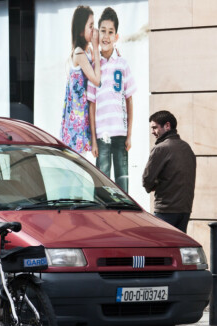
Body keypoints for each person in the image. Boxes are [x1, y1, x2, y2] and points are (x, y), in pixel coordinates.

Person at [88, 7, 136, 192]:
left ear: (116, 36)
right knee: (102, 183)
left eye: (110, 32)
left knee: (122, 183)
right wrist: (93, 139)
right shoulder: (93, 67)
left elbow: (130, 100)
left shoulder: (122, 65)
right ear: (97, 34)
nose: (106, 36)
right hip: (102, 136)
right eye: (103, 31)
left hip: (120, 134)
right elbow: (92, 104)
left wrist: (129, 134)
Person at [142, 111, 196, 233]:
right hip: (185, 209)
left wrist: (154, 186)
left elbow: (147, 180)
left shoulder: (161, 148)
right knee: (178, 248)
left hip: (166, 209)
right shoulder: (187, 148)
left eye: (155, 127)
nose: (152, 132)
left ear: (167, 126)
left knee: (161, 248)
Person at [60, 5, 101, 154]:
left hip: (84, 114)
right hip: (77, 118)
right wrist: (96, 48)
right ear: (80, 30)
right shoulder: (79, 53)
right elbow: (97, 80)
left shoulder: (87, 51)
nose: (93, 30)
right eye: (90, 26)